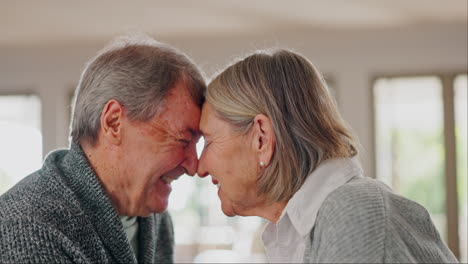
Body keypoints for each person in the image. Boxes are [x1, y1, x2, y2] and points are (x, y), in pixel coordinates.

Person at [196, 49, 458, 263]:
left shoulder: (353, 213)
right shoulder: (302, 229)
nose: (200, 167)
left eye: (208, 142)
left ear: (261, 138)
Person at [0, 35, 205, 263]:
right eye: (184, 140)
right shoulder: (27, 226)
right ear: (113, 122)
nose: (194, 165)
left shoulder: (157, 220)